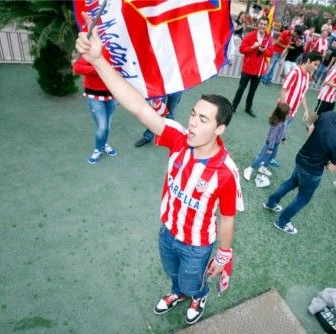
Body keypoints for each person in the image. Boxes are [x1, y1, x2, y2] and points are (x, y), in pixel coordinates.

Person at [75, 16, 244, 325]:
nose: (192, 122)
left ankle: (198, 294)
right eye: (193, 114)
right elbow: (138, 106)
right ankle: (178, 291)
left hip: (196, 245)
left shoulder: (226, 172)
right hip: (167, 231)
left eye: (203, 120)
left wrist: (224, 253)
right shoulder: (178, 140)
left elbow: (228, 217)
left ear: (219, 129)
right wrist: (98, 62)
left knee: (193, 280)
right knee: (171, 273)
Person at [262, 99, 336, 235]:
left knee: (291, 182)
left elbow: (311, 128)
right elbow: (332, 168)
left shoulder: (329, 114)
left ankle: (270, 202)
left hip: (301, 158)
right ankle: (282, 221)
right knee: (303, 198)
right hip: (312, 170)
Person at [73, 56, 118, 165]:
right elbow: (77, 68)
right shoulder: (92, 52)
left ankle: (104, 144)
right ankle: (98, 149)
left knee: (108, 124)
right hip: (94, 95)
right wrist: (99, 68)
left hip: (113, 94)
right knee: (102, 125)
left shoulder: (116, 51)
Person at [231, 16, 273, 117]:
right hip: (247, 68)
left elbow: (270, 53)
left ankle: (248, 107)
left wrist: (264, 51)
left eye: (264, 24)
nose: (262, 26)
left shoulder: (269, 38)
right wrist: (252, 47)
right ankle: (234, 106)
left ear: (267, 26)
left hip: (258, 70)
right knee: (241, 88)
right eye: (261, 23)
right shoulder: (250, 35)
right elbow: (241, 49)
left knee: (252, 91)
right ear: (258, 24)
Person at [243, 103, 290, 181]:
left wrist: (283, 138)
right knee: (263, 157)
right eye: (288, 113)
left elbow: (283, 131)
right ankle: (249, 168)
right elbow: (272, 137)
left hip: (276, 143)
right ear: (283, 115)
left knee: (272, 156)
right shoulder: (277, 125)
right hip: (270, 144)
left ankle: (263, 168)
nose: (289, 114)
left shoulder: (283, 121)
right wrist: (270, 148)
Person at [281, 52, 321, 137]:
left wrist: (306, 110)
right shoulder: (295, 72)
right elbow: (283, 90)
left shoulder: (307, 76)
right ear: (308, 60)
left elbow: (302, 94)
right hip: (284, 112)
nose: (316, 68)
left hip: (292, 113)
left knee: (278, 139)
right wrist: (283, 110)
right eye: (315, 64)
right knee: (271, 141)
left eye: (317, 66)